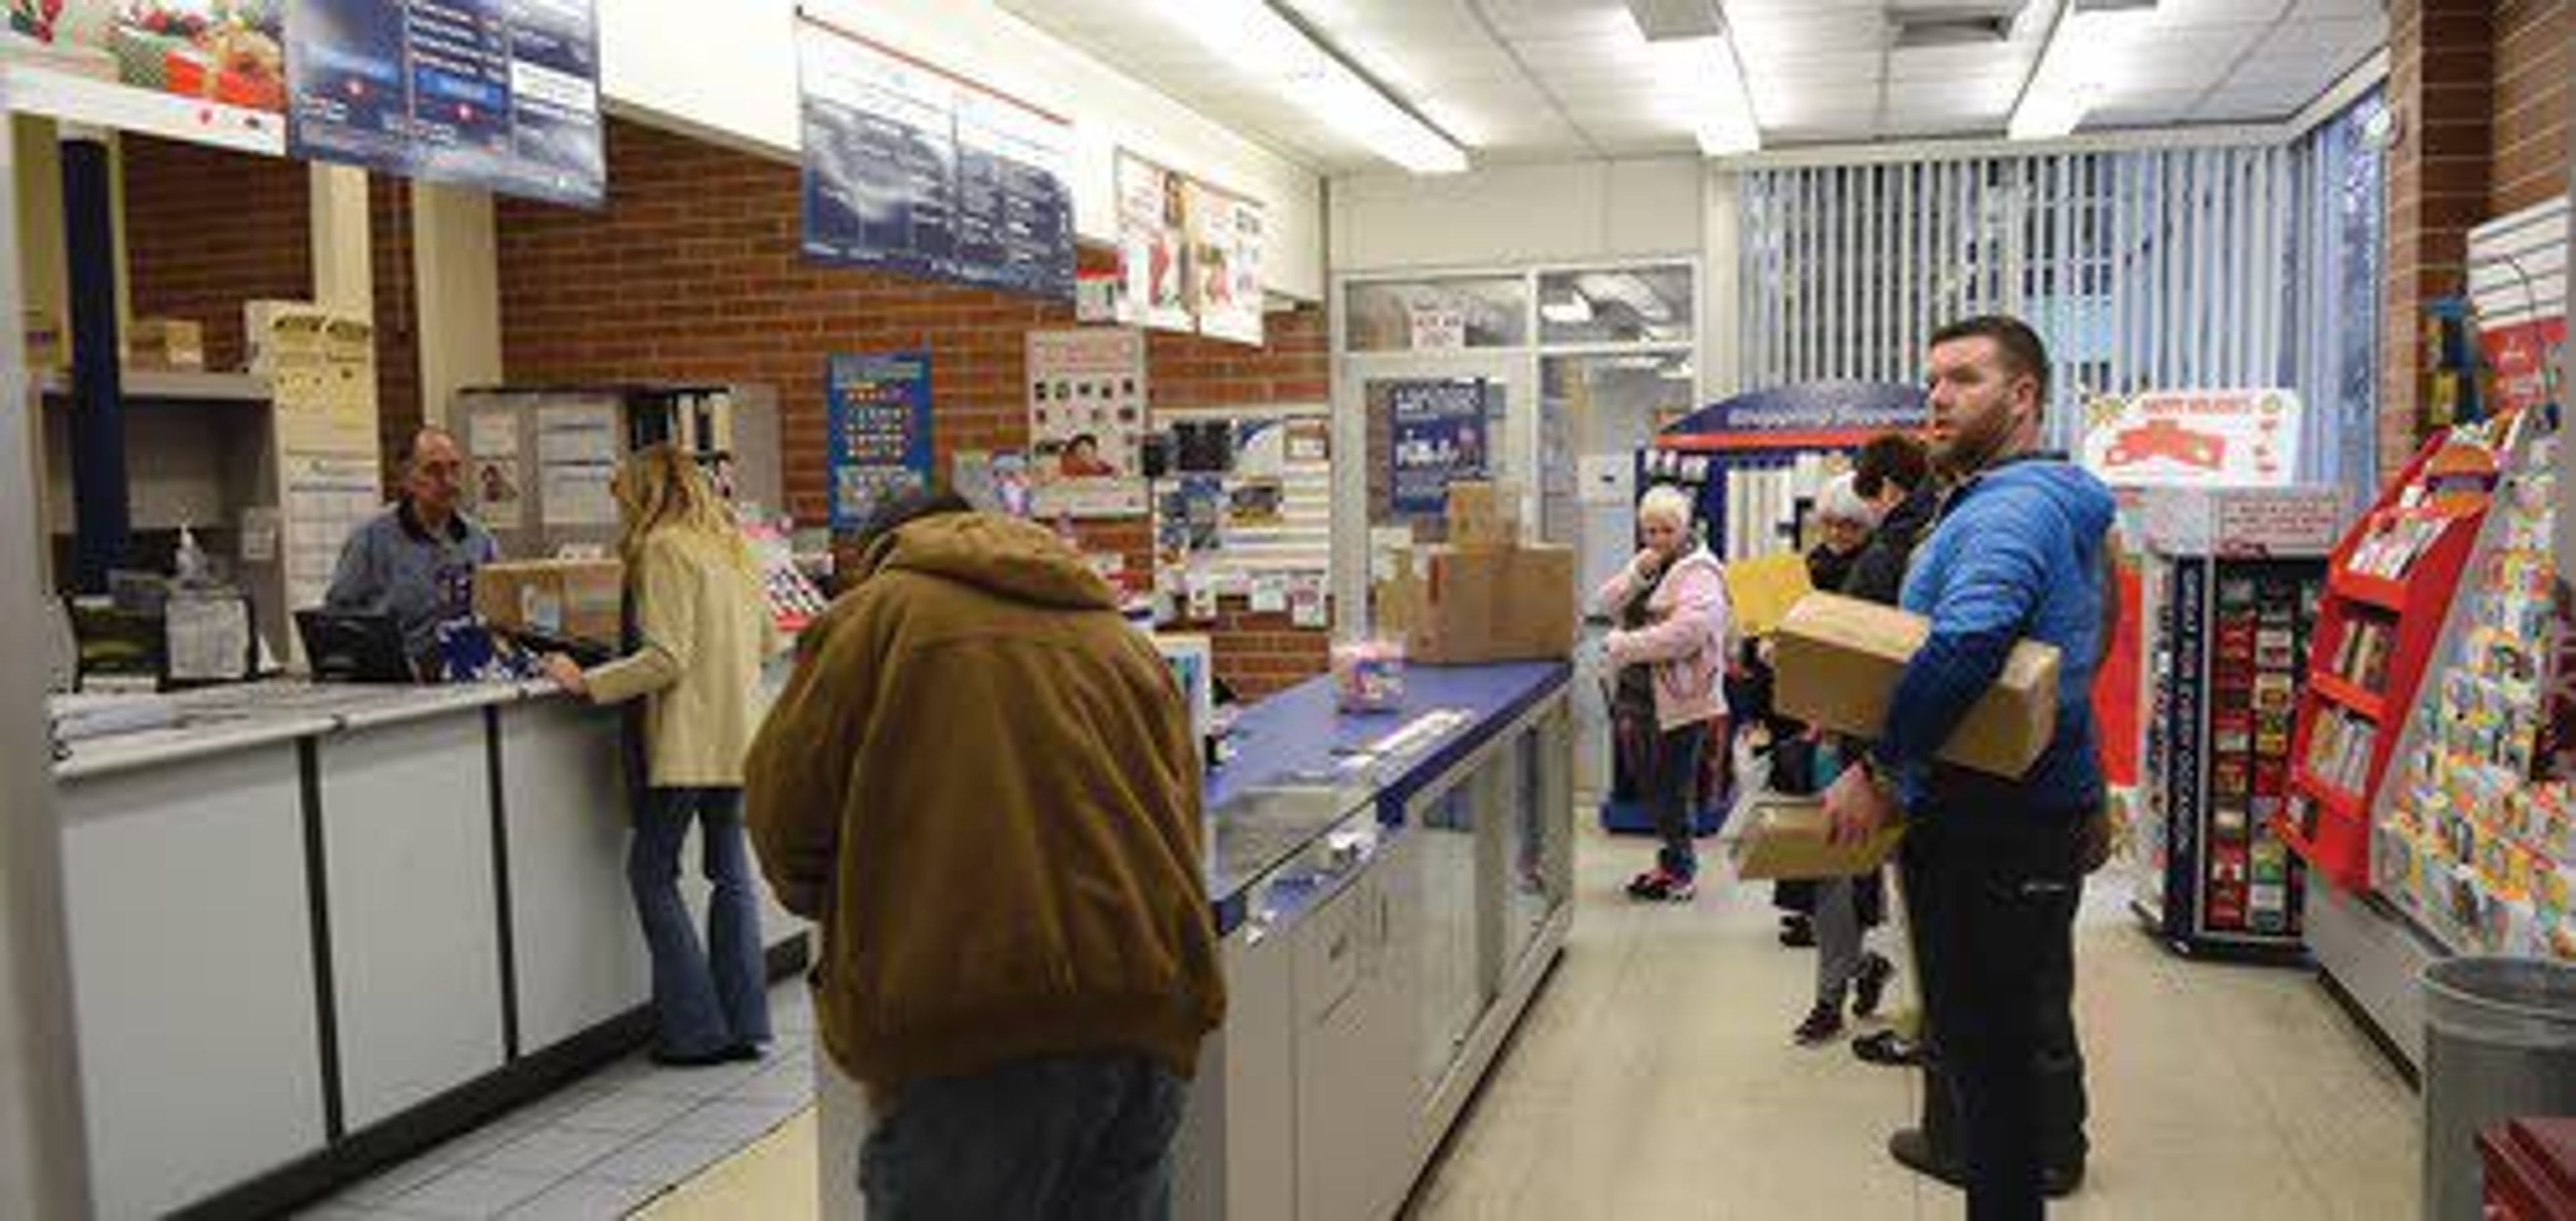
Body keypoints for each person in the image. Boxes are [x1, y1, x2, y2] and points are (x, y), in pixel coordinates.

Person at [743, 490, 1224, 1220]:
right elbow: (1183, 819)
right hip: (1145, 1019)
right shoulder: (1114, 634)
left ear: (881, 551)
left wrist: (859, 901)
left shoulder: (875, 618)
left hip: (970, 1028)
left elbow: (786, 816)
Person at [1825, 315, 2112, 1218]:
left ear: (2022, 396)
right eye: (1933, 382)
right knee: (2003, 1053)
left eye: (1965, 379)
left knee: (1989, 1068)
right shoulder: (2029, 499)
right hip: (2026, 807)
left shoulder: (2013, 509)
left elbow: (1969, 643)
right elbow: (2076, 652)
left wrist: (1879, 766)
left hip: (1991, 824)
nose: (1938, 399)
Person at [542, 446, 777, 1067]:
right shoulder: (733, 547)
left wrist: (586, 681)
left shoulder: (665, 548)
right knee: (731, 876)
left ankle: (696, 1030)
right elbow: (769, 641)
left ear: (643, 494)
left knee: (652, 874)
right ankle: (745, 1020)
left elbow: (666, 658)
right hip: (739, 741)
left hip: (686, 743)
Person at [1792, 474, 1896, 1047]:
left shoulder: (1880, 575)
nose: (1836, 534)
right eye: (1829, 522)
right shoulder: (1805, 572)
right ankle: (1845, 982)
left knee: (1843, 870)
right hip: (1820, 741)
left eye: (1850, 525)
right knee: (1828, 870)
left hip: (1865, 744)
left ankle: (1841, 988)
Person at [1595, 484, 1730, 903]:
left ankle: (1682, 870)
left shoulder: (1700, 571)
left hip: (1679, 701)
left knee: (1673, 788)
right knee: (1652, 786)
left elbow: (1687, 635)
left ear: (1685, 527)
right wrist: (1637, 574)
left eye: (1666, 531)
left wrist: (1624, 646)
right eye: (1649, 531)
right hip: (1640, 695)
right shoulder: (1650, 563)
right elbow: (1605, 602)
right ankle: (1669, 862)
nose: (1657, 539)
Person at [325, 425, 499, 676]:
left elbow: (498, 616)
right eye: (434, 470)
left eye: (454, 468)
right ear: (407, 478)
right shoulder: (371, 538)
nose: (448, 481)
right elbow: (338, 621)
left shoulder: (479, 540)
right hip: (396, 686)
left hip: (464, 680)